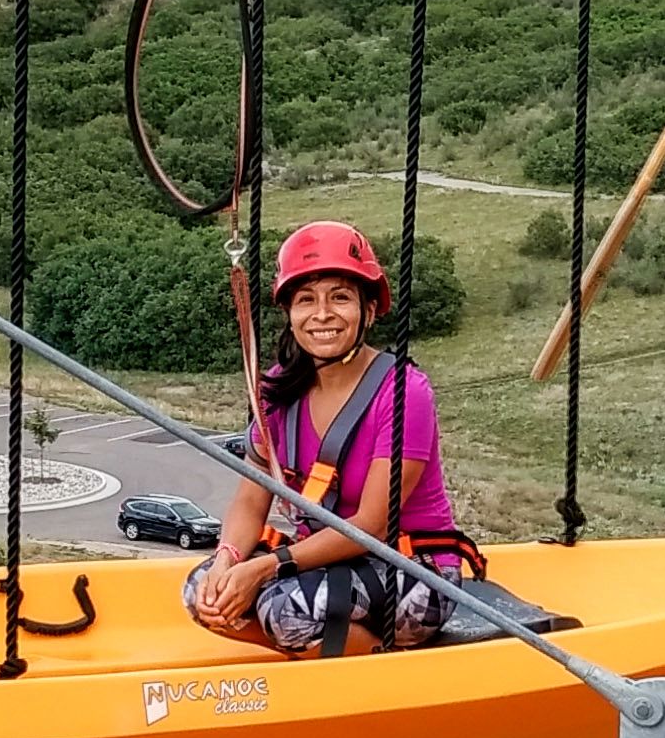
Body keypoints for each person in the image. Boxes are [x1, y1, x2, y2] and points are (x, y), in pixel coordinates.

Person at [186, 220, 476, 654]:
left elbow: (373, 524)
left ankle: (375, 662)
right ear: (290, 314)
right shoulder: (277, 392)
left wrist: (266, 568)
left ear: (369, 310)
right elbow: (250, 500)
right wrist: (228, 559)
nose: (322, 314)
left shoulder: (403, 392)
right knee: (200, 591)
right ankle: (322, 647)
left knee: (287, 610)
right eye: (306, 300)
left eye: (340, 297)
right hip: (325, 560)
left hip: (412, 570)